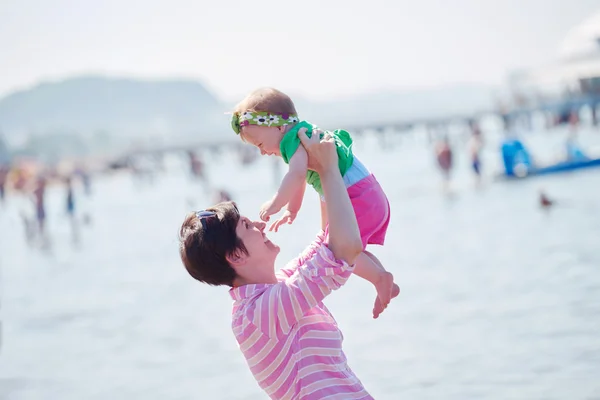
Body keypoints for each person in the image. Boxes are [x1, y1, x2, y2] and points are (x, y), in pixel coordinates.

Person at [179, 130, 377, 399]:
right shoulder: (257, 314)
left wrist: (317, 171)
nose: (260, 224)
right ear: (236, 256)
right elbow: (344, 249)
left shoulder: (276, 287)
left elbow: (327, 241)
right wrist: (329, 169)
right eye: (247, 226)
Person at [230, 87, 398, 318]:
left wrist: (276, 203)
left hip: (357, 198)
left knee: (337, 252)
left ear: (277, 126)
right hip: (369, 194)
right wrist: (292, 210)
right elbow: (300, 179)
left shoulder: (294, 140)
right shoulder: (304, 133)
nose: (263, 153)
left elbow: (296, 175)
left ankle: (379, 278)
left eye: (260, 144)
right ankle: (381, 276)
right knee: (347, 248)